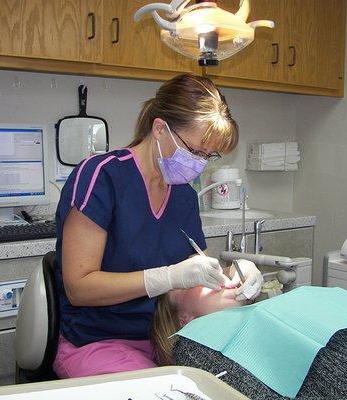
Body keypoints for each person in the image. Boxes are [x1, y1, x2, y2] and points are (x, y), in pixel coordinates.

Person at [52, 74, 263, 378]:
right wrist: (167, 276)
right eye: (195, 151)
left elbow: (198, 272)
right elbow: (79, 288)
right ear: (160, 128)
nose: (200, 163)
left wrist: (237, 273)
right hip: (97, 341)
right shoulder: (101, 177)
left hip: (165, 341)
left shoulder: (183, 196)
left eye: (209, 155)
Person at [151, 287, 347, 400]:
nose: (214, 275)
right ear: (184, 320)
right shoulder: (196, 346)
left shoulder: (273, 308)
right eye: (194, 280)